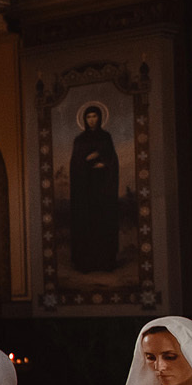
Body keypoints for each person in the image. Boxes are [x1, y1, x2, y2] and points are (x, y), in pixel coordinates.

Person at [68, 104, 120, 272]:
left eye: (94, 116)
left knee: (103, 224)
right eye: (89, 117)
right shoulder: (80, 140)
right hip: (85, 192)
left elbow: (113, 162)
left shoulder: (106, 138)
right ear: (85, 119)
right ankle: (85, 262)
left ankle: (106, 261)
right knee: (86, 225)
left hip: (103, 190)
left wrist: (102, 163)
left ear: (100, 118)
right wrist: (89, 160)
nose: (91, 120)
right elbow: (75, 165)